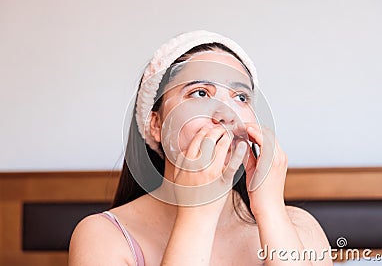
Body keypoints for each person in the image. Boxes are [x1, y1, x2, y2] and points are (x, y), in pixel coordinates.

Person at [69, 30, 333, 265]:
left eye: (240, 97)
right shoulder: (103, 236)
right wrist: (198, 212)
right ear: (156, 124)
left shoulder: (300, 227)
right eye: (201, 93)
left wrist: (270, 209)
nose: (227, 113)